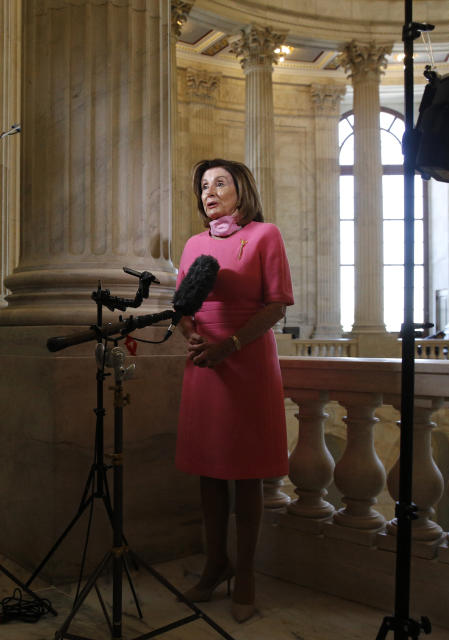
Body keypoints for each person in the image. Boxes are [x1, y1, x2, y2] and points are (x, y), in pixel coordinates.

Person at [175, 159, 294, 623]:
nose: (210, 191)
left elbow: (277, 305)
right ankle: (214, 564)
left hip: (247, 360)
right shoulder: (193, 244)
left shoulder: (265, 235)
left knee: (247, 473)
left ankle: (244, 574)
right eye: (203, 184)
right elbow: (182, 305)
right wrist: (192, 334)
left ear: (241, 190)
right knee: (209, 470)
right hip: (206, 361)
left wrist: (231, 345)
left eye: (220, 182)